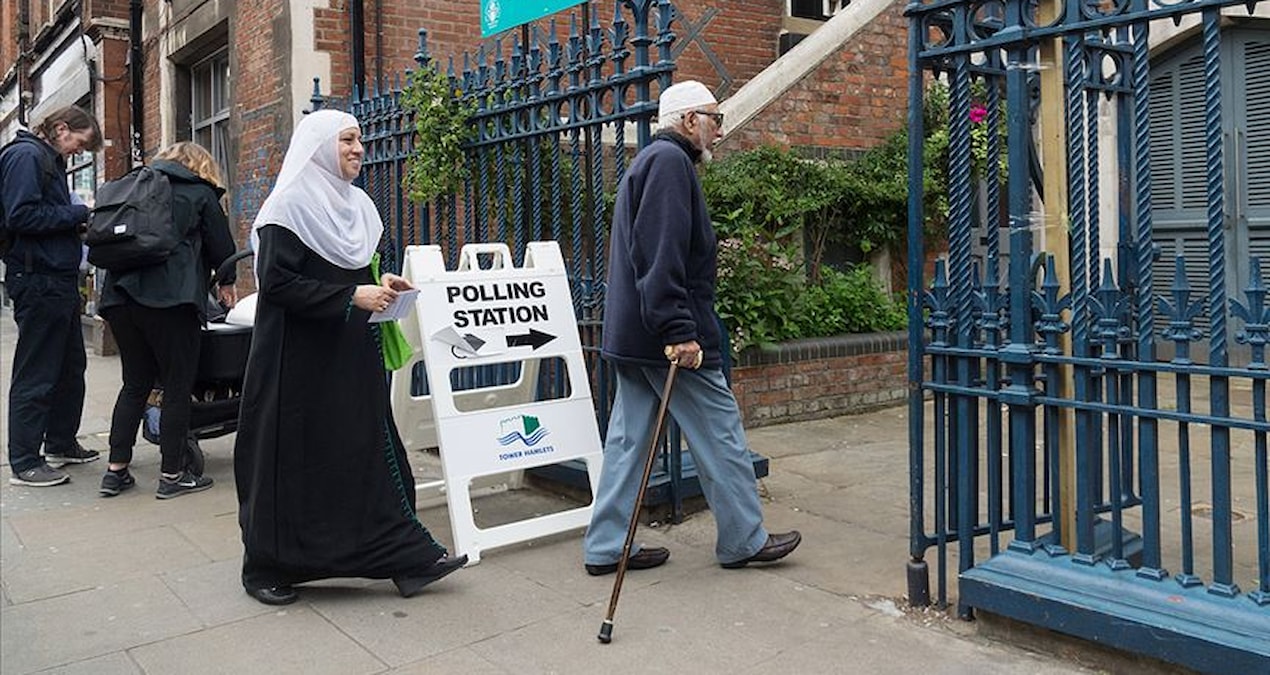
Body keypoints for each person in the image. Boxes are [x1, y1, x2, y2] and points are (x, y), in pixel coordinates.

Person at [234, 109, 465, 606]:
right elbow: (277, 284)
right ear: (319, 146)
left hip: (350, 355)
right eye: (347, 140)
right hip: (296, 364)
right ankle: (266, 567)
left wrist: (381, 284)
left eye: (360, 140)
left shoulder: (357, 206)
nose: (359, 149)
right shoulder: (287, 207)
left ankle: (406, 557)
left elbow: (353, 271)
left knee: (365, 453)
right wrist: (349, 299)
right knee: (290, 460)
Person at [583, 80, 802, 575]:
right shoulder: (668, 164)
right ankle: (744, 538)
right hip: (668, 339)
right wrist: (680, 332)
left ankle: (605, 546)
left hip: (635, 336)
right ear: (688, 121)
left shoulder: (651, 163)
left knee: (627, 441)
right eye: (714, 119)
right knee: (720, 428)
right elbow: (661, 260)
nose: (719, 131)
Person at [97, 142, 239, 499]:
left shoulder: (134, 183)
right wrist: (227, 284)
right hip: (170, 301)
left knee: (135, 383)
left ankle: (115, 472)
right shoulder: (199, 192)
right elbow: (222, 248)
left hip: (119, 299)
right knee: (178, 386)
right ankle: (173, 475)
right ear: (201, 166)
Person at [1, 106, 103, 487]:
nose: (77, 152)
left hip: (55, 279)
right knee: (38, 371)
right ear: (60, 128)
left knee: (69, 366)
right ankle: (25, 461)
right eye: (77, 143)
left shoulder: (45, 159)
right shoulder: (26, 157)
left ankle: (60, 442)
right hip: (37, 278)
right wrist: (77, 214)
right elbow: (21, 216)